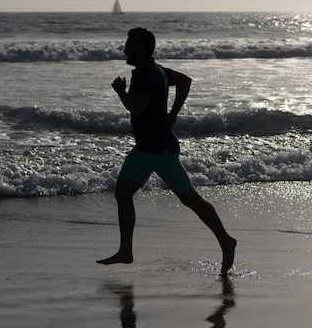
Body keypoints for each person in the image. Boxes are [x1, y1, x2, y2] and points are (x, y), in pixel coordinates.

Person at [97, 27, 236, 275]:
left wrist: (121, 92)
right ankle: (125, 251)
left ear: (140, 48)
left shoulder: (146, 74)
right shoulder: (157, 70)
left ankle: (226, 240)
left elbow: (136, 109)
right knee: (123, 193)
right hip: (144, 149)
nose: (124, 50)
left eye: (128, 45)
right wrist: (173, 114)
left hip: (159, 149)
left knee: (190, 199)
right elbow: (185, 81)